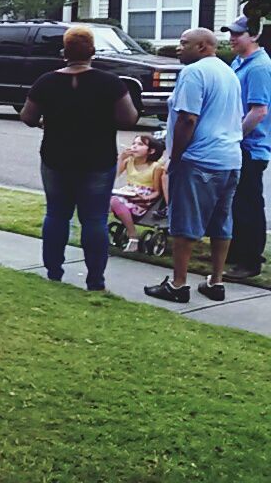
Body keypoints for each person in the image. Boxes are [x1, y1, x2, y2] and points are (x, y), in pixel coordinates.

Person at [20, 26, 138, 291]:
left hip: (55, 158)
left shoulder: (47, 81)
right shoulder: (109, 82)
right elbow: (129, 118)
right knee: (95, 219)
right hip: (97, 159)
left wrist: (44, 121)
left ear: (64, 52)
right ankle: (95, 279)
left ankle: (53, 272)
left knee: (56, 215)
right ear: (93, 52)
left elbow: (27, 117)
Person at [146, 28, 244, 303]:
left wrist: (176, 157)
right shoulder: (228, 73)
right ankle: (216, 281)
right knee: (221, 222)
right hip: (229, 159)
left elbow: (188, 119)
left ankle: (178, 286)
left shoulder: (194, 73)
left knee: (184, 223)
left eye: (183, 43)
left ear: (202, 47)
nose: (178, 47)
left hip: (199, 160)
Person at [224, 16, 271, 280]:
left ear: (253, 36)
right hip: (240, 145)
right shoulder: (240, 62)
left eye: (237, 34)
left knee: (248, 204)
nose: (231, 38)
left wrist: (234, 136)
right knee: (235, 202)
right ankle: (236, 252)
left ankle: (250, 261)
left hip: (251, 147)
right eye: (230, 33)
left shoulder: (259, 67)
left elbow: (259, 111)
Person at [110, 135, 167, 251]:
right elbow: (112, 177)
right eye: (134, 143)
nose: (134, 146)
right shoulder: (128, 162)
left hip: (142, 201)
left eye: (140, 144)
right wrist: (121, 158)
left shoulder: (156, 167)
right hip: (127, 195)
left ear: (151, 151)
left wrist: (146, 198)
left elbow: (157, 192)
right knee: (107, 199)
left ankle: (133, 235)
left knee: (114, 201)